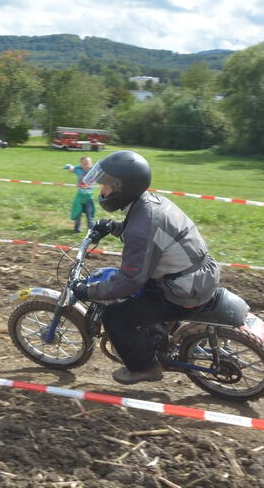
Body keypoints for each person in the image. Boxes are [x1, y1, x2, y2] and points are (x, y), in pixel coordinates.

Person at [71, 150, 220, 385]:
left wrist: (87, 291)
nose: (102, 192)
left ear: (123, 188)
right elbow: (151, 236)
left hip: (184, 288)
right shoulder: (151, 202)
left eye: (106, 187)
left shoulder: (141, 225)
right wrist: (112, 227)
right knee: (139, 298)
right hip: (197, 272)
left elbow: (129, 281)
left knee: (115, 317)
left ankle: (145, 367)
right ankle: (160, 334)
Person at [64, 156, 95, 233]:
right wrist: (71, 167)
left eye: (88, 163)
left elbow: (103, 167)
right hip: (80, 196)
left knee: (89, 214)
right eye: (84, 164)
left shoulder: (94, 170)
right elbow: (66, 166)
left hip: (89, 197)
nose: (86, 165)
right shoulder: (78, 170)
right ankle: (77, 229)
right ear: (81, 165)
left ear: (91, 163)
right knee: (78, 213)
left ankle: (91, 231)